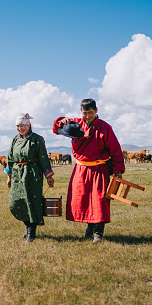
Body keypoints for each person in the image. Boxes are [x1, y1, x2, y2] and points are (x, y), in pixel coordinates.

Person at [52, 99, 125, 243]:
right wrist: (62, 121)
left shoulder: (105, 128)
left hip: (99, 169)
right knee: (84, 199)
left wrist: (118, 171)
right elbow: (56, 128)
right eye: (85, 113)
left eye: (90, 113)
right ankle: (90, 227)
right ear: (81, 112)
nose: (87, 116)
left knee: (99, 201)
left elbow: (116, 151)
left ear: (96, 110)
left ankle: (98, 233)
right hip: (81, 169)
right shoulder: (76, 124)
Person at [5, 113, 55, 242]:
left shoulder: (37, 139)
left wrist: (48, 176)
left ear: (28, 125)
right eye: (18, 126)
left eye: (22, 125)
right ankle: (27, 226)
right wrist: (9, 176)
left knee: (32, 201)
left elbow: (43, 158)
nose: (20, 128)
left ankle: (31, 231)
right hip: (17, 174)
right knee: (17, 202)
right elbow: (10, 158)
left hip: (32, 174)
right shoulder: (15, 140)